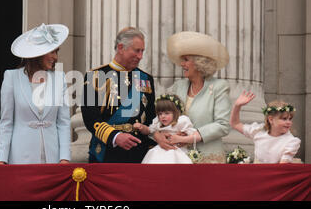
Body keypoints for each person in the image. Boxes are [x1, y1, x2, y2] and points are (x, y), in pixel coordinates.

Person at [0, 23, 71, 164]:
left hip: (52, 158)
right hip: (20, 157)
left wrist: (65, 157)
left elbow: (64, 122)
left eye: (56, 52)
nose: (56, 57)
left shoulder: (59, 79)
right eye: (52, 52)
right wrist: (1, 158)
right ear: (38, 54)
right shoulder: (11, 77)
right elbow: (6, 122)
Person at [81, 27, 156, 163]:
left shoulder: (145, 79)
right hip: (107, 153)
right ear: (121, 48)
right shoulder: (96, 76)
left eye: (142, 51)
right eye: (137, 51)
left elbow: (151, 118)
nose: (140, 56)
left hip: (139, 154)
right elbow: (90, 118)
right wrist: (115, 137)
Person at [159, 31, 231, 163]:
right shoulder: (178, 87)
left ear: (199, 63)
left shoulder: (219, 87)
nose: (182, 64)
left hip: (209, 158)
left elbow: (223, 125)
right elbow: (164, 115)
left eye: (186, 60)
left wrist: (189, 136)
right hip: (179, 156)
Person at [230, 91, 301, 163]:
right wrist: (237, 106)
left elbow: (282, 166)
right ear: (271, 119)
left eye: (290, 119)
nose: (289, 122)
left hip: (276, 173)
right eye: (284, 119)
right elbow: (235, 124)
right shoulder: (258, 131)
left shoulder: (291, 141)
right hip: (259, 172)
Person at [133, 94, 196, 164]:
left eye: (167, 113)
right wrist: (142, 127)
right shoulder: (158, 123)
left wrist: (184, 136)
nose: (162, 116)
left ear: (176, 113)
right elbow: (149, 130)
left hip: (177, 150)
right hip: (160, 149)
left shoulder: (181, 121)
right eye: (160, 114)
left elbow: (192, 134)